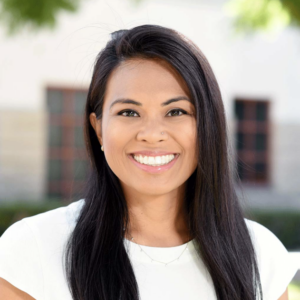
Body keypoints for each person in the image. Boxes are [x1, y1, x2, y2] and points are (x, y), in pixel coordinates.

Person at [0, 24, 298, 300]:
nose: (152, 135)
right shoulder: (33, 250)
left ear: (208, 126)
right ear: (98, 129)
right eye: (129, 112)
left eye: (177, 112)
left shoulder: (260, 255)